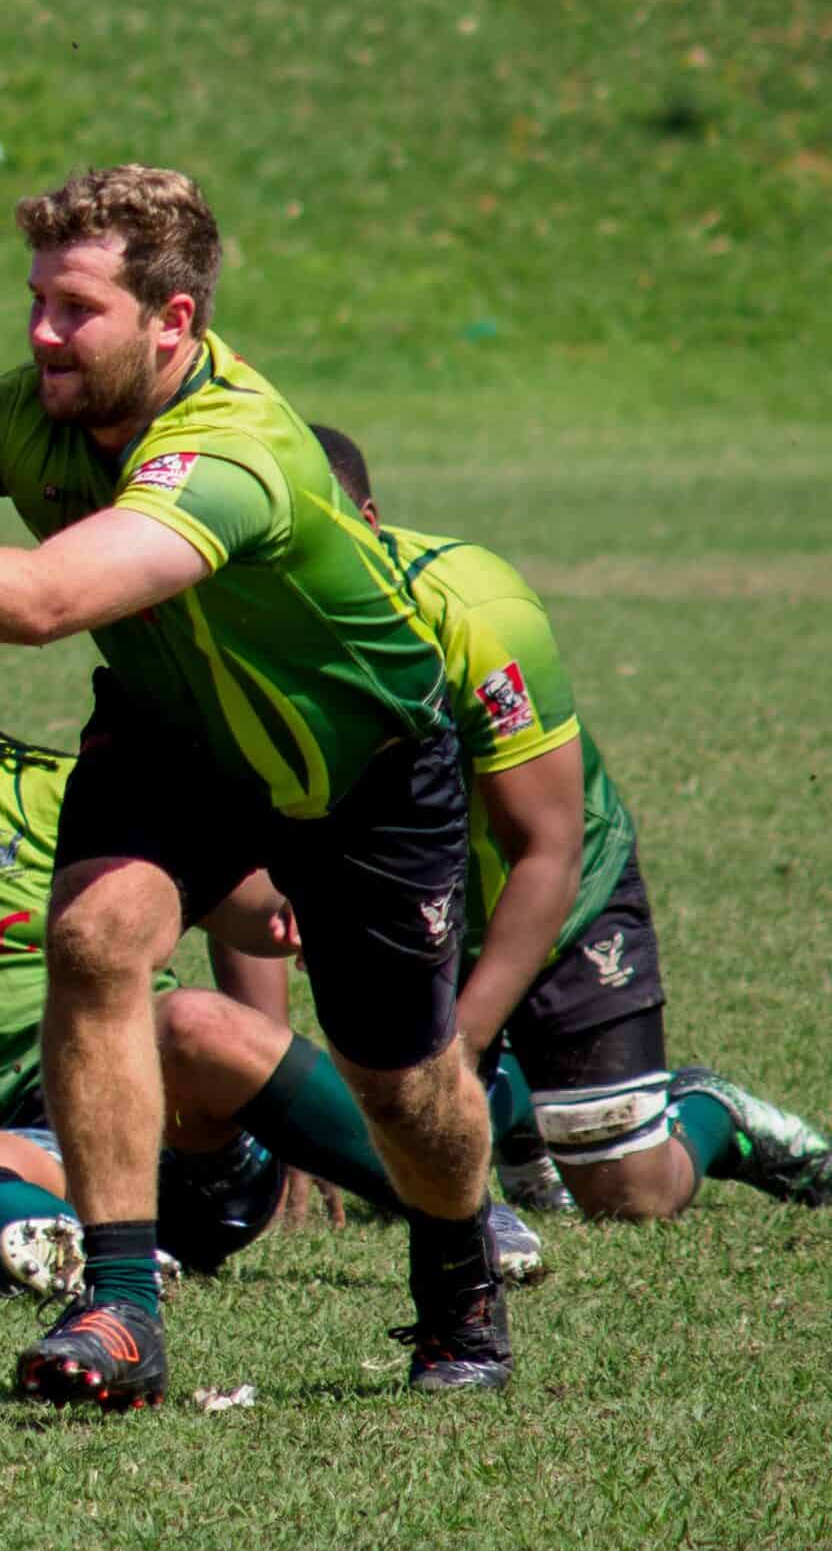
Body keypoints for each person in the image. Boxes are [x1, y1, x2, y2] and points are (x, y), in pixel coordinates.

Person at [0, 165, 510, 1407]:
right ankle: (118, 1307)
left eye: (75, 311)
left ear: (173, 323)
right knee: (96, 938)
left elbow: (52, 601)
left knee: (403, 1083)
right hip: (171, 734)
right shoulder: (31, 412)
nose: (41, 333)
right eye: (36, 300)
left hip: (362, 768)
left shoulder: (231, 446)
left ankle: (457, 1270)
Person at [0, 594, 471, 1308]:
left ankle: (460, 1219)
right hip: (36, 1155)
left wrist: (308, 913)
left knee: (190, 1020)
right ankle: (100, 1263)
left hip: (176, 1127)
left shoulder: (53, 795)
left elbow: (246, 911)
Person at [311, 425, 831, 1219]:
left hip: (561, 890)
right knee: (396, 1174)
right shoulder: (241, 625)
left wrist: (461, 1049)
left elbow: (546, 850)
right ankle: (513, 1107)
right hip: (407, 909)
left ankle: (712, 1116)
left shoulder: (472, 607)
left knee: (630, 1196)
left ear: (370, 522)